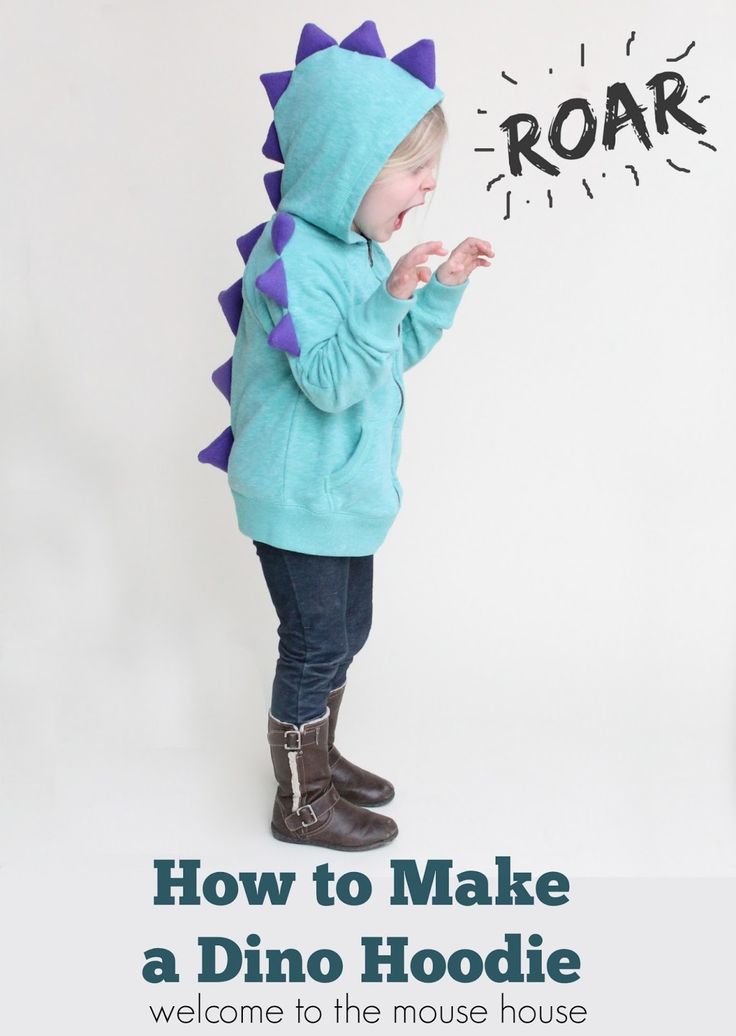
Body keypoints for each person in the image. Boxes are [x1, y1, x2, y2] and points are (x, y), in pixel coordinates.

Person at [201, 20, 493, 850]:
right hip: (298, 489)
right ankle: (300, 803)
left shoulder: (361, 252)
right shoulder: (289, 260)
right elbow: (330, 381)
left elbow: (384, 357)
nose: (431, 185)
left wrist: (433, 291)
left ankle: (317, 762)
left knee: (344, 634)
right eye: (414, 170)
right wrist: (390, 296)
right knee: (318, 641)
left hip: (341, 489)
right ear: (344, 168)